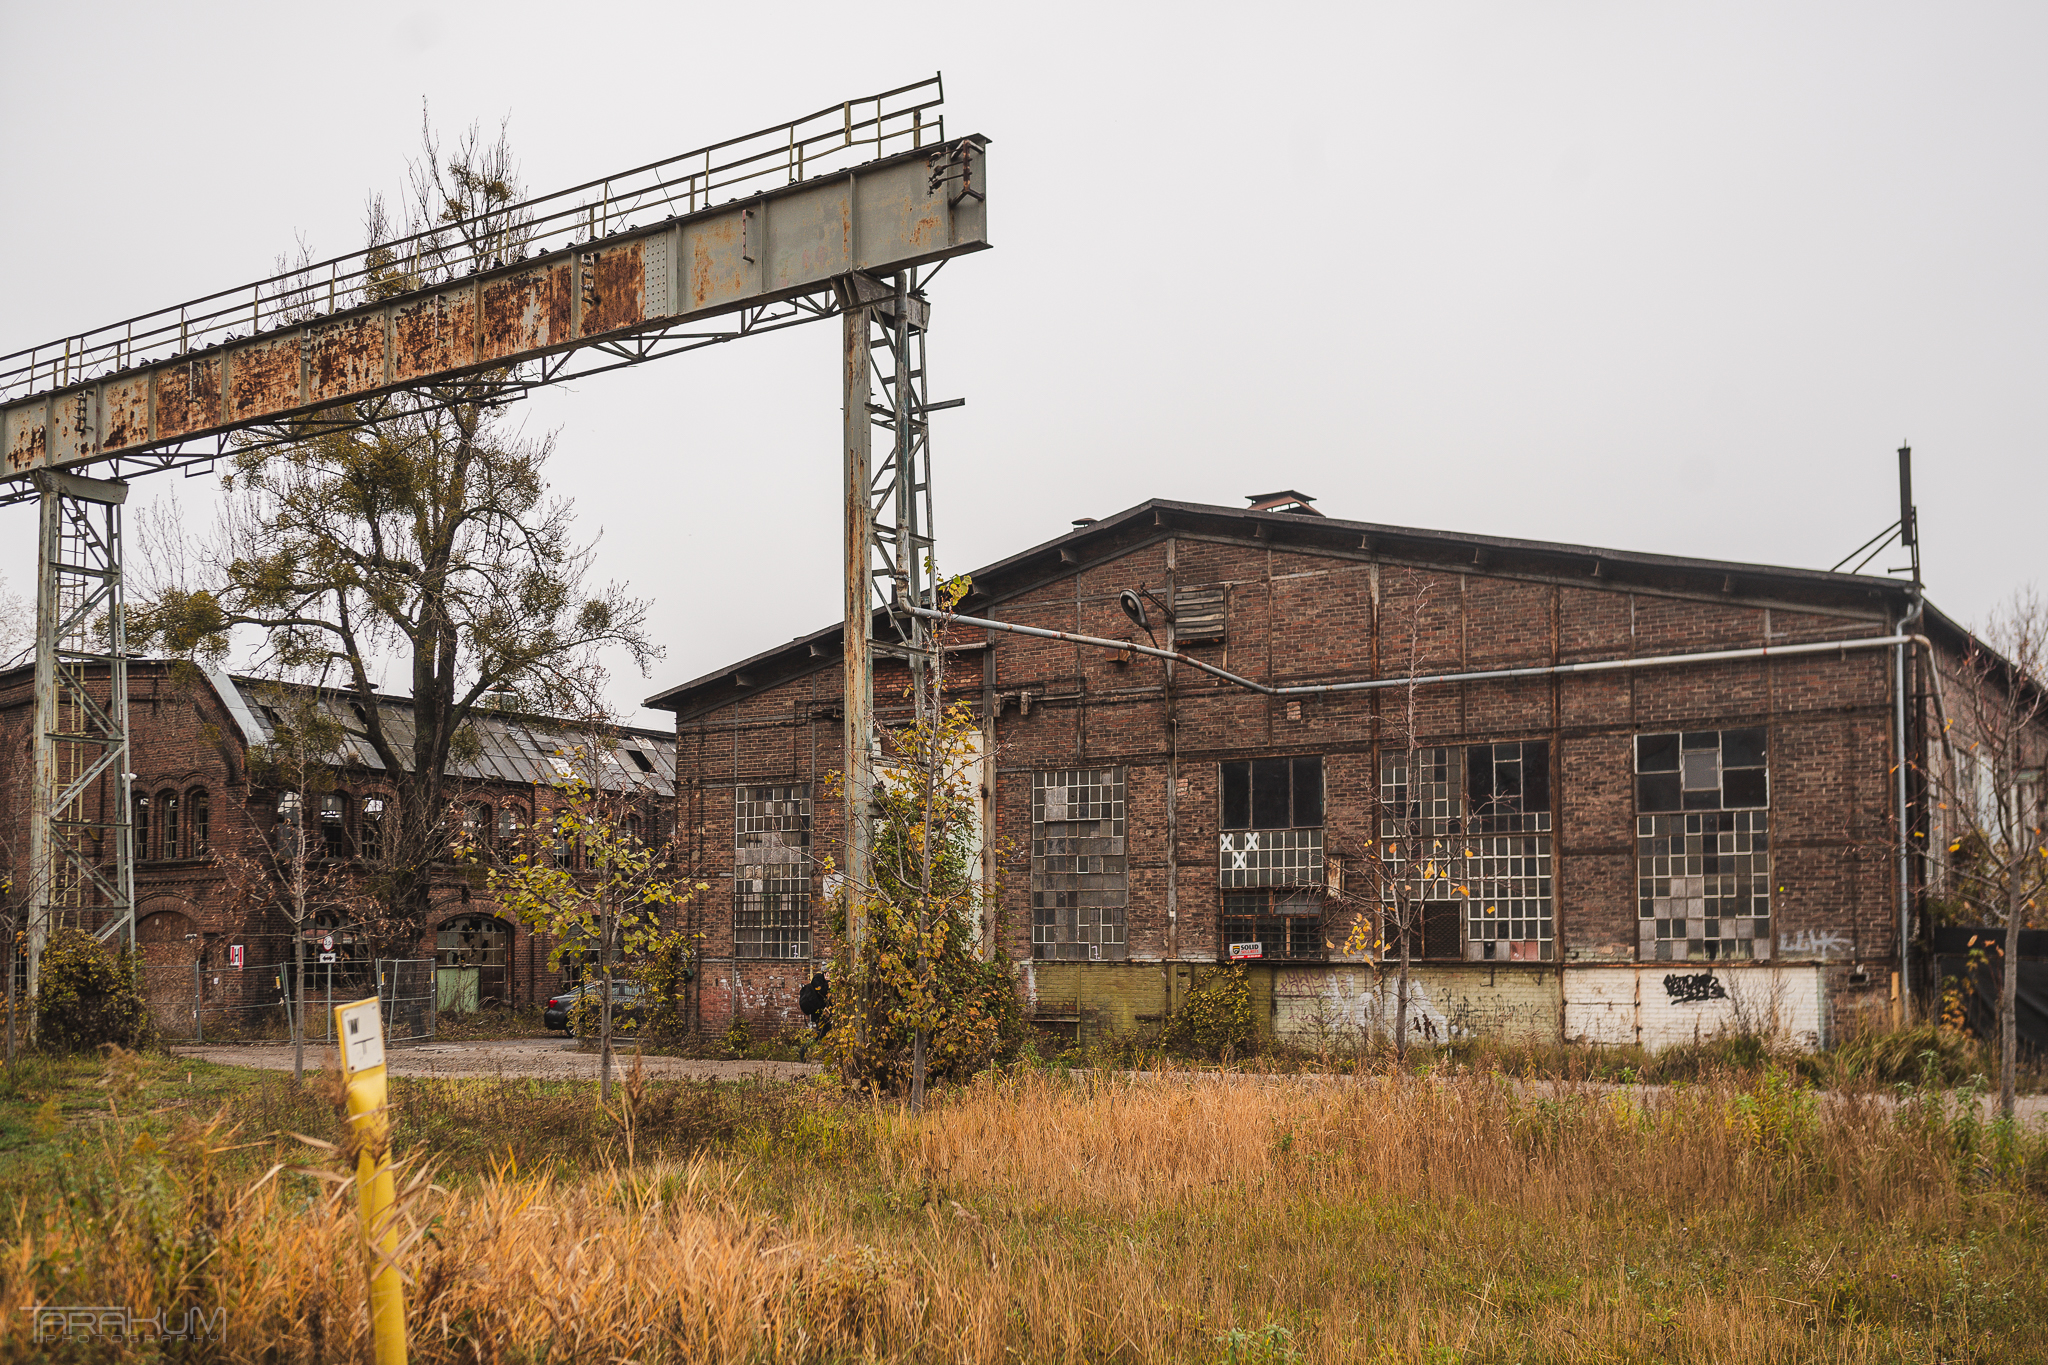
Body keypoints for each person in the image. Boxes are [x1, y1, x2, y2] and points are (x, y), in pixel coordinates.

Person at [797, 971, 831, 1057]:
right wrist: (827, 981)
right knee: (821, 1033)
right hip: (818, 1013)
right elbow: (821, 992)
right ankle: (804, 1049)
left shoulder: (823, 980)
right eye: (828, 973)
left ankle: (806, 1050)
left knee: (825, 1033)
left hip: (824, 1012)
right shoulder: (817, 979)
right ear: (825, 973)